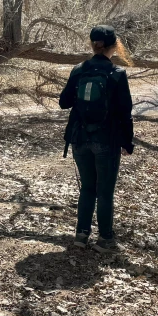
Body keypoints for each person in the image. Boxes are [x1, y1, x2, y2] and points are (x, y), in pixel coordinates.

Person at [58, 25, 134, 252]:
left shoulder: (78, 70)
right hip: (106, 139)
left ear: (92, 45)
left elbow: (64, 102)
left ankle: (81, 236)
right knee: (105, 191)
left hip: (79, 138)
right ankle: (105, 240)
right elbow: (125, 112)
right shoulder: (117, 74)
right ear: (114, 46)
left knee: (87, 188)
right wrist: (127, 142)